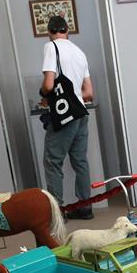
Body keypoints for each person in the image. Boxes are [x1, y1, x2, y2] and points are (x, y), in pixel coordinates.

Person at [40, 15, 94, 220]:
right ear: (67, 31)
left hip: (64, 115)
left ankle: (58, 211)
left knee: (53, 161)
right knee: (80, 160)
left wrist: (44, 96)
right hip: (81, 112)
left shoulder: (50, 47)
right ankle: (85, 206)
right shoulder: (79, 52)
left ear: (50, 32)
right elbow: (89, 92)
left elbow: (48, 85)